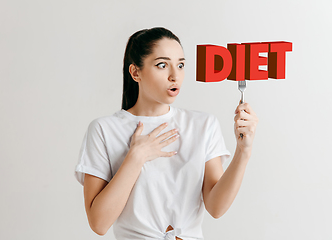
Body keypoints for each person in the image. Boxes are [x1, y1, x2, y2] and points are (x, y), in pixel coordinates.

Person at [74, 27, 258, 240]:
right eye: (162, 65)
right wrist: (136, 157)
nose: (175, 76)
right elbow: (99, 223)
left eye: (180, 65)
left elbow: (216, 208)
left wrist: (243, 151)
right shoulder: (104, 130)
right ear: (135, 72)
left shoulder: (203, 124)